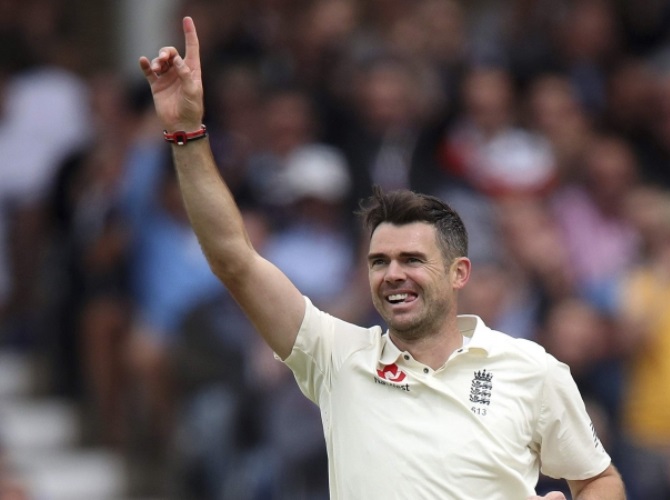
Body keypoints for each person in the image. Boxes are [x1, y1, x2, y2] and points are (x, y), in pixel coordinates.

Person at [138, 16, 625, 500]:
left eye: (411, 259)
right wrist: (186, 132)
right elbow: (234, 258)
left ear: (459, 273)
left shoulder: (529, 368)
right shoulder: (336, 356)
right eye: (378, 261)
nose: (392, 274)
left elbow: (599, 480)